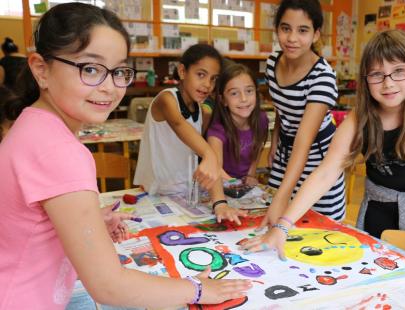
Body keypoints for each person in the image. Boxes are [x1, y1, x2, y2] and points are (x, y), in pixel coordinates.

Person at [0, 3, 251, 309]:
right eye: (90, 69)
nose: (109, 87)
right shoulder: (59, 150)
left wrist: (85, 223)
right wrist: (199, 291)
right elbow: (109, 286)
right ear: (41, 69)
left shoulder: (32, 124)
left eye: (119, 71)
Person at [241, 29, 405, 260]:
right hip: (381, 216)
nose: (388, 84)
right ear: (365, 79)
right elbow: (327, 172)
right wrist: (283, 226)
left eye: (398, 71)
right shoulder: (362, 116)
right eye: (377, 74)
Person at [134, 44, 247, 224]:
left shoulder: (202, 112)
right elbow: (180, 125)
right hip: (158, 193)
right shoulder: (166, 98)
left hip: (187, 194)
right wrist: (209, 154)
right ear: (182, 71)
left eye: (213, 79)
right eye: (201, 75)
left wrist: (219, 202)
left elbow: (198, 149)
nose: (207, 85)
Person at [264, 0, 346, 226]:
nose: (292, 38)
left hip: (317, 160)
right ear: (277, 29)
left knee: (316, 227)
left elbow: (304, 140)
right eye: (285, 28)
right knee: (274, 222)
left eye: (302, 30)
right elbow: (282, 110)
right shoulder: (272, 63)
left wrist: (282, 195)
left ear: (316, 34)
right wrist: (275, 140)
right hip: (286, 154)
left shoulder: (322, 77)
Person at [207, 62, 268, 186]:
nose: (244, 98)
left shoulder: (261, 119)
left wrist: (251, 174)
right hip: (221, 183)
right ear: (222, 100)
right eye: (234, 93)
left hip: (243, 185)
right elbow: (216, 169)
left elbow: (257, 149)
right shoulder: (216, 131)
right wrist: (235, 184)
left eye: (249, 91)